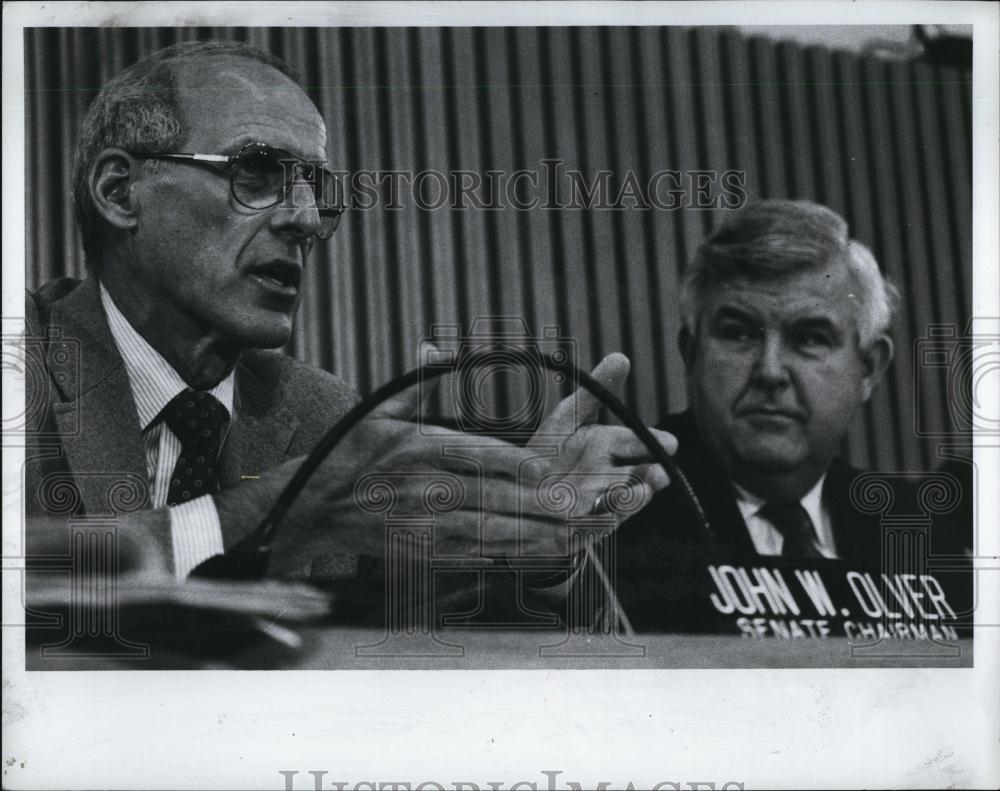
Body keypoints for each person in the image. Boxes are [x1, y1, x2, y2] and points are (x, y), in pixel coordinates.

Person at [23, 40, 676, 608]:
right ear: (118, 192)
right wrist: (269, 513)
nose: (306, 219)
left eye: (315, 185)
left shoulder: (322, 415)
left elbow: (422, 632)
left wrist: (536, 544)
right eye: (256, 171)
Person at [604, 199, 914, 630]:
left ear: (869, 367)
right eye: (738, 333)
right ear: (691, 353)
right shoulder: (609, 516)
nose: (769, 371)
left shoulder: (923, 531)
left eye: (809, 338)